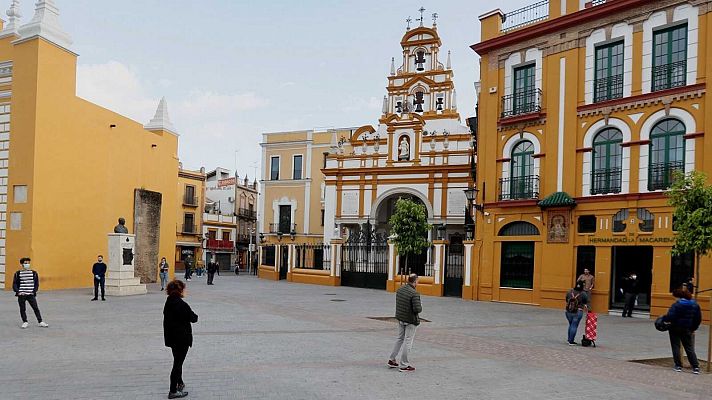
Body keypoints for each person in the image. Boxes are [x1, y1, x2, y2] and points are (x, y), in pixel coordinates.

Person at [163, 280, 198, 399]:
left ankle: (180, 383)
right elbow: (194, 318)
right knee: (177, 364)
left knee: (177, 360)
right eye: (184, 288)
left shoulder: (169, 302)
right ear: (180, 290)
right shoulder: (181, 304)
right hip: (181, 339)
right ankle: (173, 390)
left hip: (172, 338)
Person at [387, 274, 422, 372]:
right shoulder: (414, 293)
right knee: (408, 341)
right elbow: (417, 309)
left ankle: (392, 359)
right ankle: (404, 365)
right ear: (415, 281)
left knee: (399, 339)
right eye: (418, 281)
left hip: (401, 318)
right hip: (410, 320)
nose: (418, 283)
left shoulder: (400, 289)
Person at [663, 288, 701, 374]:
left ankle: (678, 366)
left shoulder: (676, 305)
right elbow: (698, 318)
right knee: (689, 347)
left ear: (678, 297)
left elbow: (670, 316)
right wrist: (693, 328)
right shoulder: (695, 305)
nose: (675, 299)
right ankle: (695, 367)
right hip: (687, 329)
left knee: (676, 346)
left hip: (675, 328)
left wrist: (664, 319)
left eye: (675, 297)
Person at [12, 257, 49, 329]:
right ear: (22, 264)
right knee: (22, 309)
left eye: (28, 263)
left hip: (31, 294)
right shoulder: (18, 273)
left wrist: (33, 291)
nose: (27, 264)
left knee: (35, 308)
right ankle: (25, 322)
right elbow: (14, 284)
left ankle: (40, 321)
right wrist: (18, 292)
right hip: (22, 294)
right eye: (25, 263)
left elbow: (36, 284)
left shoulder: (34, 273)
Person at [564, 281, 589, 345]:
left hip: (568, 311)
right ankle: (571, 341)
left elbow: (566, 299)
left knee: (571, 325)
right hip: (577, 312)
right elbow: (585, 301)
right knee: (574, 326)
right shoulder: (583, 293)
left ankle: (569, 339)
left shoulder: (570, 291)